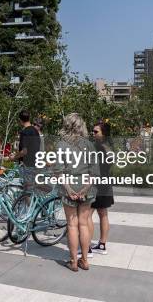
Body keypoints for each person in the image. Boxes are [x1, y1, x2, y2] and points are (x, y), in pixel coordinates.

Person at [56, 113, 99, 272]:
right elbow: (94, 172)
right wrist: (84, 189)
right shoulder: (89, 144)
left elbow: (59, 172)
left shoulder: (61, 144)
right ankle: (85, 260)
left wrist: (69, 190)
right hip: (86, 187)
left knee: (72, 225)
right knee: (83, 223)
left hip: (69, 186)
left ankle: (73, 261)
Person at [88, 120, 114, 255]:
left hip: (96, 185)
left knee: (87, 215)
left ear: (103, 134)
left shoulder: (97, 147)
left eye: (95, 131)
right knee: (103, 214)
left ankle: (87, 248)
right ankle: (102, 244)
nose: (93, 133)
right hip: (106, 184)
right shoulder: (110, 147)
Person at [11, 110, 41, 190]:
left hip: (26, 165)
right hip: (35, 163)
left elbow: (24, 151)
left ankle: (29, 203)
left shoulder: (24, 132)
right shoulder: (35, 131)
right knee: (32, 189)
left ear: (20, 120)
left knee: (27, 191)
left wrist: (14, 157)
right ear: (29, 118)